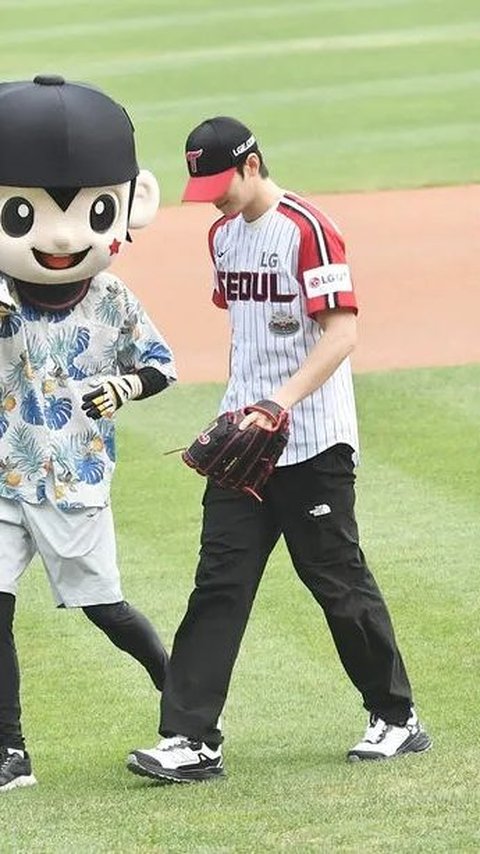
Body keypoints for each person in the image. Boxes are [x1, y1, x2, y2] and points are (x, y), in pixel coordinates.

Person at [127, 116, 431, 784]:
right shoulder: (221, 235)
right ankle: (191, 739)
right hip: (244, 447)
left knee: (336, 582)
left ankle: (396, 718)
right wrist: (243, 407)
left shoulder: (307, 229)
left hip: (313, 442)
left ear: (252, 165)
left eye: (221, 184)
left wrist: (279, 401)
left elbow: (341, 334)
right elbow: (248, 328)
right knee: (218, 585)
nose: (215, 198)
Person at [0, 75, 176, 791]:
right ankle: (11, 751)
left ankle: (186, 702)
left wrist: (123, 386)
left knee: (104, 610)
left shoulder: (110, 296)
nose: (66, 235)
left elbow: (160, 364)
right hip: (6, 472)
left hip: (74, 478)